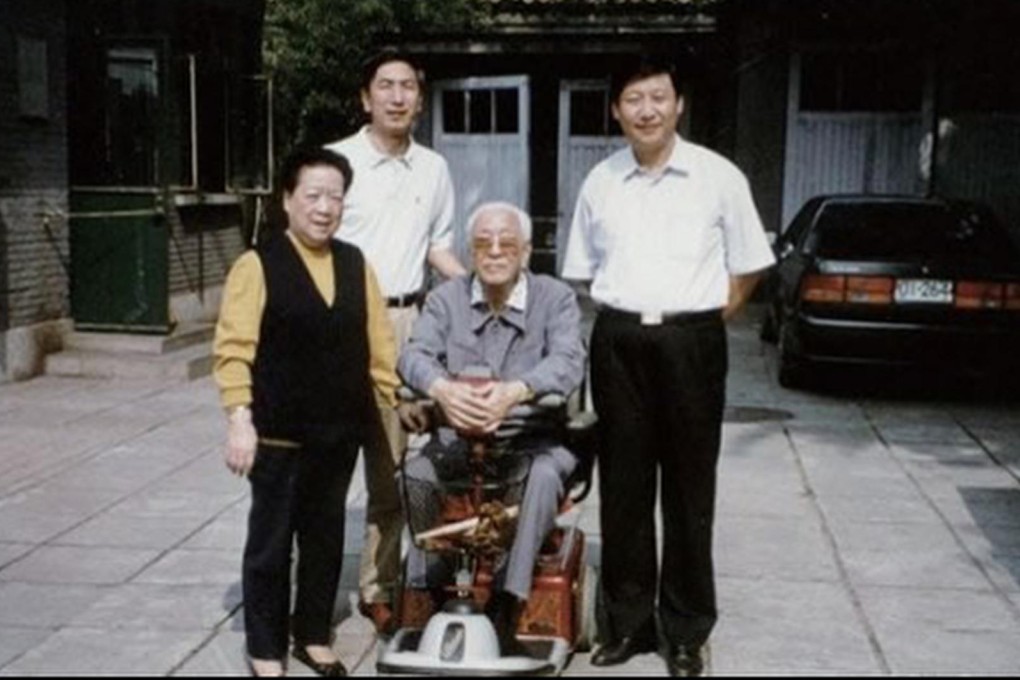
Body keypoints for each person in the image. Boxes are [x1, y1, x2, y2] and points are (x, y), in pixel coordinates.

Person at [562, 56, 775, 677]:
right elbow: (582, 268)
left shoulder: (717, 176)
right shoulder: (600, 180)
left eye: (658, 97)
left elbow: (751, 260)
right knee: (624, 488)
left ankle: (685, 631)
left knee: (689, 489)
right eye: (634, 99)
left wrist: (707, 319)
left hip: (691, 341)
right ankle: (627, 625)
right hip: (620, 338)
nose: (647, 110)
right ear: (616, 110)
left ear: (679, 104)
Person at [213, 147, 399, 677]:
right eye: (312, 195)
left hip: (340, 431)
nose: (324, 207)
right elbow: (233, 349)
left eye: (335, 197)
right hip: (279, 432)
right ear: (287, 200)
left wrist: (394, 403)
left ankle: (313, 635)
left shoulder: (354, 261)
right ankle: (265, 647)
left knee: (324, 539)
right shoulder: (258, 264)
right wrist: (239, 417)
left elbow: (379, 343)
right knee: (272, 544)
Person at [397, 202, 586, 656]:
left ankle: (507, 602)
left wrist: (517, 391)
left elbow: (568, 361)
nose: (495, 251)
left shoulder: (555, 298)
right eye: (483, 243)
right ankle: (437, 590)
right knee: (416, 473)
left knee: (541, 476)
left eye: (507, 243)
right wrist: (442, 389)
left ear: (525, 252)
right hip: (458, 439)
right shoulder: (446, 298)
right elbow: (413, 356)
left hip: (532, 438)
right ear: (471, 251)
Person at [324, 49, 467, 635]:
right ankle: (311, 596)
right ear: (366, 97)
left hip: (406, 323)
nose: (398, 96)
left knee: (391, 470)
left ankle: (378, 589)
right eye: (386, 85)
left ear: (420, 97)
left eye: (408, 86)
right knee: (326, 469)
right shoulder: (337, 161)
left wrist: (488, 288)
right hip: (340, 324)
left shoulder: (433, 168)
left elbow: (439, 248)